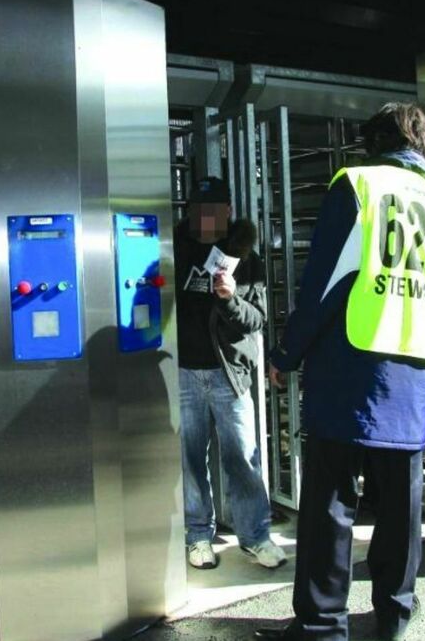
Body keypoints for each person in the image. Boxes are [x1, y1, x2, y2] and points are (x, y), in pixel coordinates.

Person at [256, 102, 425, 641]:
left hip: (353, 366)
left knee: (331, 501)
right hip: (419, 369)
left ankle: (322, 624)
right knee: (402, 502)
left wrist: (286, 354)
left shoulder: (359, 185)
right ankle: (394, 614)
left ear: (372, 144)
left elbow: (325, 284)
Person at [174, 175, 286, 570]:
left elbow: (256, 319)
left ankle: (255, 537)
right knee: (189, 460)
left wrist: (230, 297)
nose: (206, 217)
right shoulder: (171, 247)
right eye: (199, 210)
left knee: (243, 457)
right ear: (190, 211)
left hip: (230, 376)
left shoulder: (244, 256)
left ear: (228, 212)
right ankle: (198, 536)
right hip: (183, 373)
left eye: (214, 210)